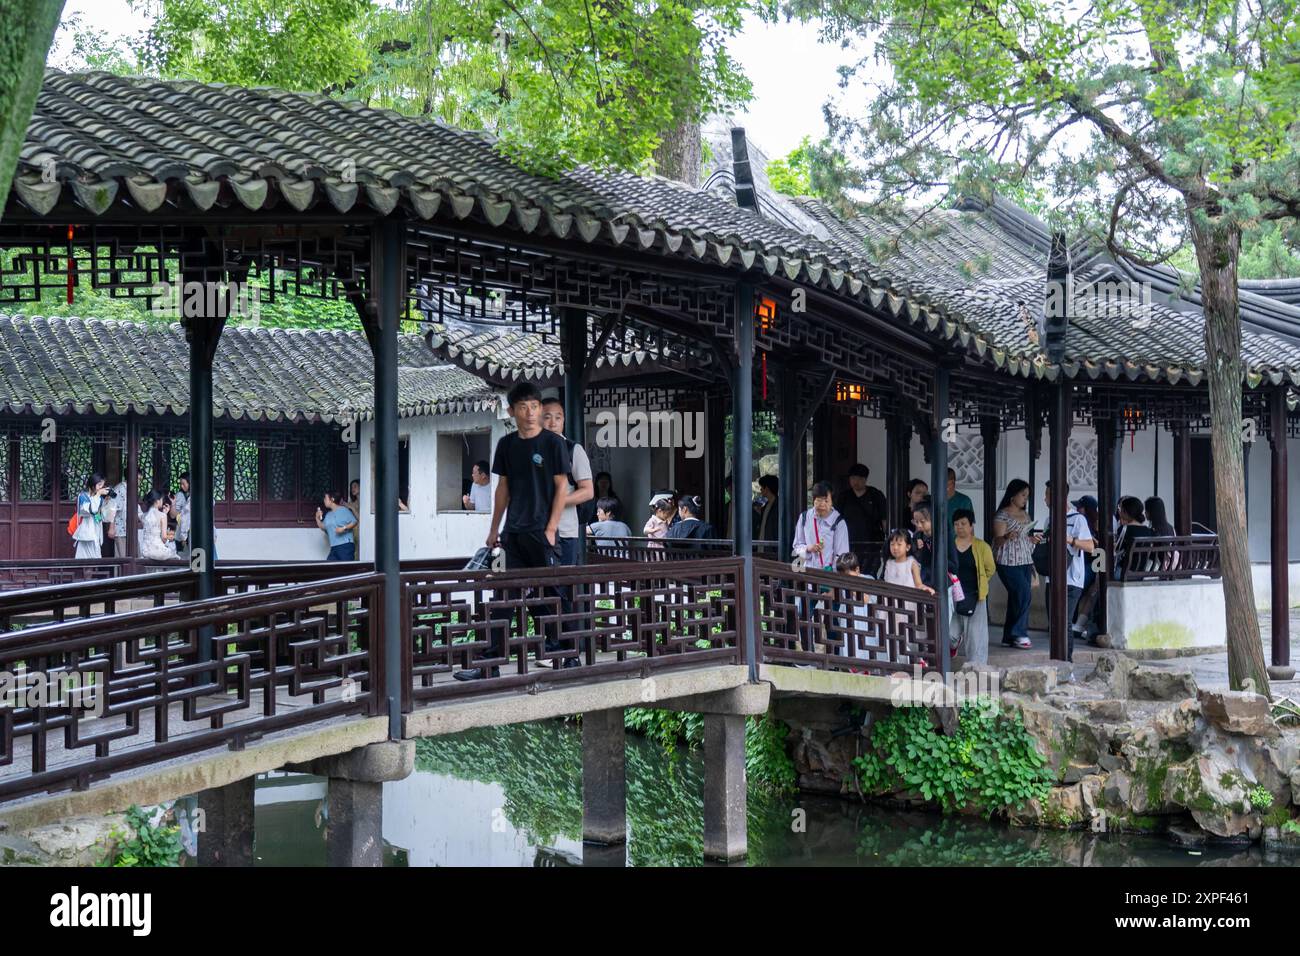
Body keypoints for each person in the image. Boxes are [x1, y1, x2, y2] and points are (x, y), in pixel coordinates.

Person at [458, 381, 572, 681]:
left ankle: (565, 654)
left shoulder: (553, 443)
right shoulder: (506, 445)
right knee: (501, 596)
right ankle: (490, 663)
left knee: (551, 595)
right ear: (512, 411)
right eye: (523, 407)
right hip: (511, 535)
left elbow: (562, 487)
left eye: (535, 406)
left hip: (542, 533)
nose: (531, 412)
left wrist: (551, 528)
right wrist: (494, 529)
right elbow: (502, 489)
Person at [1041, 480, 1095, 662]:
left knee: (1064, 623)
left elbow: (1090, 546)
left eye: (1047, 495)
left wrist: (1070, 540)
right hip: (1052, 578)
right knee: (1054, 624)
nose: (1045, 499)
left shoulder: (1078, 519)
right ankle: (1057, 661)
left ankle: (1067, 663)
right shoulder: (1050, 519)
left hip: (1072, 580)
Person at [541, 397, 594, 566]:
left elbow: (587, 491)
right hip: (533, 532)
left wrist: (557, 501)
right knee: (535, 587)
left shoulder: (573, 450)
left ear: (563, 420)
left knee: (561, 588)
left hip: (564, 533)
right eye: (547, 417)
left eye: (558, 417)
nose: (553, 422)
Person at [992, 479, 1041, 649]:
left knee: (1017, 597)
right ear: (1012, 495)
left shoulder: (1026, 515)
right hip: (1007, 562)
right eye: (1023, 495)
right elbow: (997, 541)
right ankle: (1020, 633)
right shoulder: (1002, 515)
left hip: (1026, 560)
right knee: (1023, 593)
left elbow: (1024, 537)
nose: (1025, 498)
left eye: (1027, 495)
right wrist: (1006, 537)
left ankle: (1008, 636)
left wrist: (1032, 539)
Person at [951, 509, 995, 664]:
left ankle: (977, 670)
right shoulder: (950, 545)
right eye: (956, 524)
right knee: (949, 633)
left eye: (963, 523)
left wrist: (982, 581)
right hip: (953, 595)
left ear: (971, 526)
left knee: (976, 638)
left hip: (975, 595)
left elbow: (990, 568)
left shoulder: (981, 546)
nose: (960, 527)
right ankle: (955, 644)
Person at [793, 481, 851, 572]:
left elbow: (842, 554)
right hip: (809, 571)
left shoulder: (839, 522)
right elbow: (797, 545)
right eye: (819, 500)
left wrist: (833, 572)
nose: (822, 504)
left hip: (830, 574)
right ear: (813, 500)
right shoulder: (804, 517)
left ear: (832, 501)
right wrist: (809, 548)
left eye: (826, 500)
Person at [834, 463, 888, 561]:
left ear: (865, 479)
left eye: (859, 478)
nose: (856, 482)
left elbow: (884, 519)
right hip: (848, 542)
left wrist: (888, 539)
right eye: (853, 478)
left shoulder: (876, 495)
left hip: (872, 543)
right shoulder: (844, 497)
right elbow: (836, 520)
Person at [1113, 496, 1155, 580]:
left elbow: (1116, 550)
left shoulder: (1124, 529)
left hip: (1123, 573)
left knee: (1100, 567)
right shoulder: (1148, 531)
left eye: (1121, 509)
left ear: (1125, 512)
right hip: (1141, 572)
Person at [72, 473, 107, 559]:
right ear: (92, 484)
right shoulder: (83, 496)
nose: (101, 488)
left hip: (95, 532)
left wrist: (107, 502)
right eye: (99, 485)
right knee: (85, 560)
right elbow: (90, 511)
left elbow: (99, 516)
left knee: (96, 560)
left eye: (102, 485)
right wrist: (98, 495)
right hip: (86, 532)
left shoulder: (99, 498)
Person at [316, 491, 358, 561]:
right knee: (330, 569)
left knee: (346, 570)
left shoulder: (344, 510)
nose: (324, 500)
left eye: (325, 498)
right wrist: (317, 518)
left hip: (345, 546)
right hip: (334, 547)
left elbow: (354, 522)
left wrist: (343, 528)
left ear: (332, 499)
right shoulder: (328, 515)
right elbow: (323, 527)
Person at [139, 489, 178, 561]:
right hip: (158, 551)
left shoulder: (144, 516)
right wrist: (170, 539)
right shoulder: (162, 516)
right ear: (157, 501)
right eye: (162, 499)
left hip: (145, 550)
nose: (162, 501)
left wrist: (164, 513)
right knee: (175, 553)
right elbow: (163, 538)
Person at [943, 467, 974, 537]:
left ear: (953, 482)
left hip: (958, 544)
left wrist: (971, 546)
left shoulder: (964, 501)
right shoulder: (932, 500)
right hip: (937, 543)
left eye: (946, 483)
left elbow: (970, 527)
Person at [753, 475, 779, 543]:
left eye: (761, 488)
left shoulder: (778, 506)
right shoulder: (766, 505)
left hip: (772, 548)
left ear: (767, 489)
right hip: (764, 546)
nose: (760, 490)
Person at [173, 472, 192, 556]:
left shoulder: (191, 499)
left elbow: (186, 518)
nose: (181, 486)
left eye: (183, 484)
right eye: (180, 484)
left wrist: (183, 537)